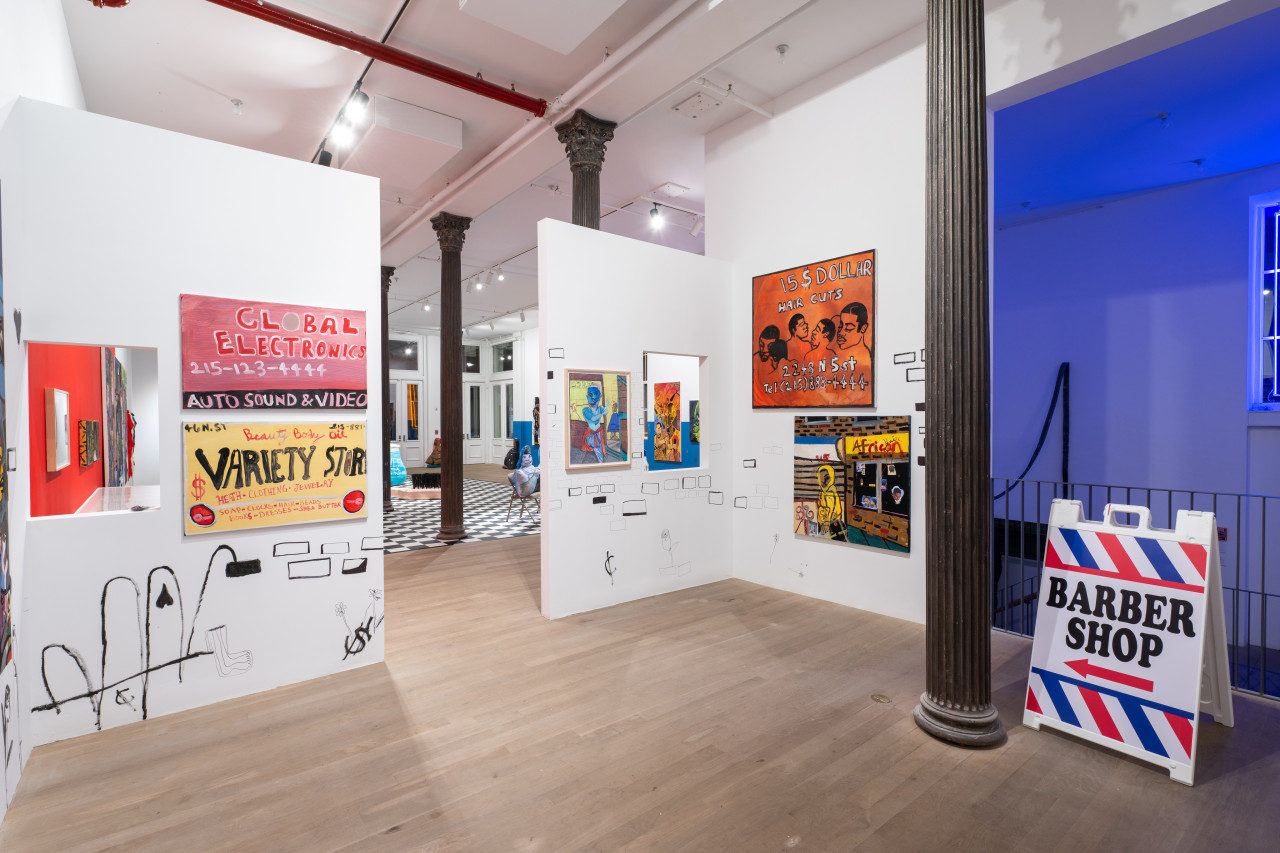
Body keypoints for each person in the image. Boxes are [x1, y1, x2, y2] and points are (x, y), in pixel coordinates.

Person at [580, 385, 609, 463]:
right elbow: (592, 419)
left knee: (599, 454)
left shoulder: (600, 408)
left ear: (600, 396)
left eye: (595, 394)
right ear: (587, 397)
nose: (592, 397)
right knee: (593, 451)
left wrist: (605, 409)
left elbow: (606, 411)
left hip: (599, 433)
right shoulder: (585, 410)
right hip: (590, 436)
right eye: (590, 395)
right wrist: (602, 413)